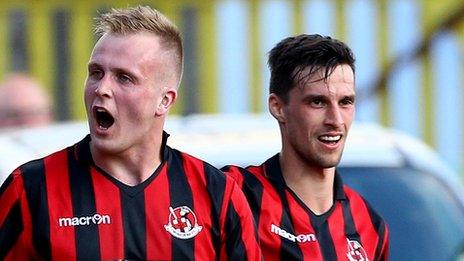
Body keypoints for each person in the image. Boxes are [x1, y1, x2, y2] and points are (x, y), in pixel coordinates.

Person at [0, 6, 260, 260]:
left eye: (124, 78)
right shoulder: (31, 189)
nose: (102, 88)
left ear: (165, 101)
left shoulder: (217, 193)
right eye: (96, 73)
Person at [222, 34, 389, 260]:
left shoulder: (369, 224)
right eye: (317, 102)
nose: (336, 120)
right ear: (278, 107)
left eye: (345, 102)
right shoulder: (234, 196)